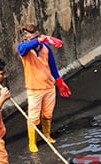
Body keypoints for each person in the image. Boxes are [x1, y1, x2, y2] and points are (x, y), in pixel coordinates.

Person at [16, 24, 71, 153]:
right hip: (34, 89)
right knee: (34, 117)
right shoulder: (23, 49)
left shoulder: (45, 48)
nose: (33, 36)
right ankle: (32, 142)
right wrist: (40, 40)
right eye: (30, 35)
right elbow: (23, 48)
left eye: (35, 34)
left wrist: (59, 81)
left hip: (48, 86)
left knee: (47, 114)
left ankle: (46, 135)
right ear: (26, 37)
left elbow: (52, 65)